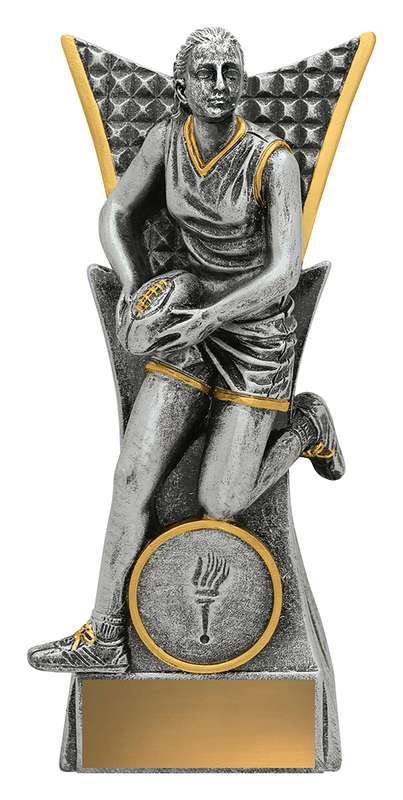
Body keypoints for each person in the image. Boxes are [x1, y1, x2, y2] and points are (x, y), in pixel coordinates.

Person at [28, 27, 344, 673]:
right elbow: (115, 213)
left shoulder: (273, 161)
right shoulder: (165, 139)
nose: (220, 85)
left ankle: (304, 427)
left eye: (231, 71)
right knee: (130, 476)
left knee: (221, 501)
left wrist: (213, 318)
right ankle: (104, 635)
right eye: (206, 72)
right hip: (184, 317)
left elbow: (284, 271)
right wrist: (134, 284)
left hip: (255, 330)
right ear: (182, 86)